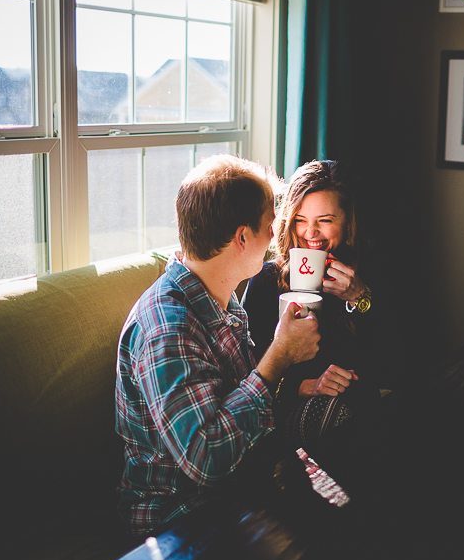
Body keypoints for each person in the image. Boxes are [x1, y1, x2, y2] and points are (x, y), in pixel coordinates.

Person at [114, 155, 321, 537]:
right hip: (180, 517)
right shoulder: (167, 329)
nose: (274, 234)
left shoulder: (219, 299)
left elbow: (236, 402)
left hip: (239, 487)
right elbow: (204, 457)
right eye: (269, 225)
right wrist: (279, 356)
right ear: (242, 238)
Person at [241, 160, 381, 448]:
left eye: (325, 220)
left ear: (348, 221)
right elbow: (246, 364)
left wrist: (360, 298)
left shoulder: (368, 273)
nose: (310, 233)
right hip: (289, 407)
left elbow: (390, 361)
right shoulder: (265, 279)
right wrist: (303, 387)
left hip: (355, 402)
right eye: (300, 220)